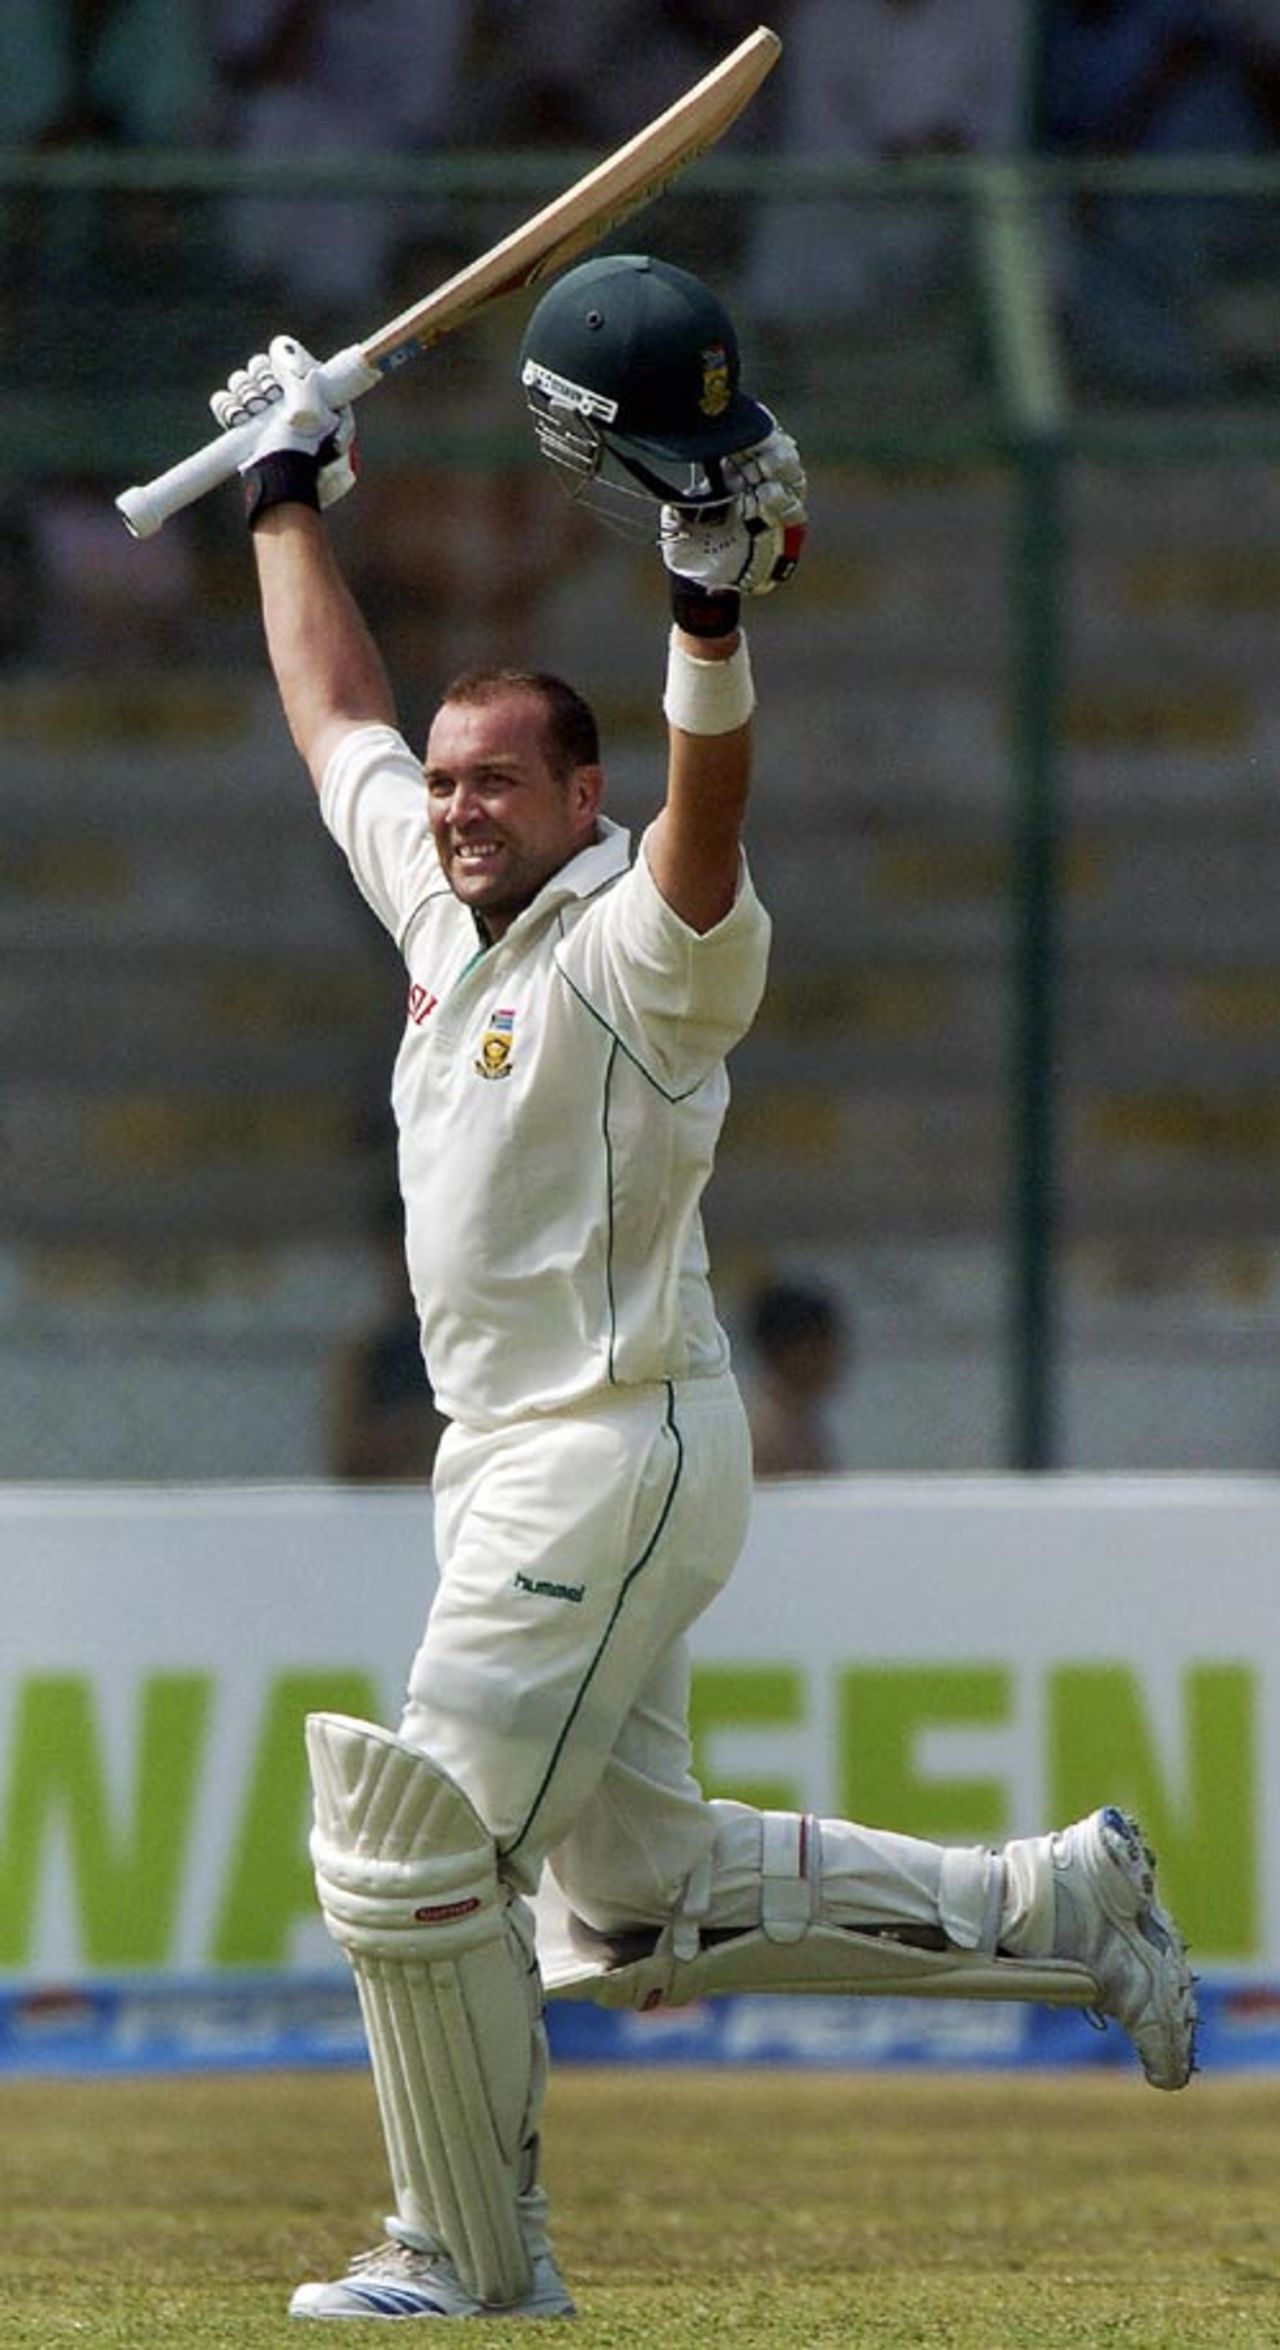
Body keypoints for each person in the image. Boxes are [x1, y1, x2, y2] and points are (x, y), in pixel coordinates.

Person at [209, 254, 1195, 2323]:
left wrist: (704, 609)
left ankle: (466, 2257)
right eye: (456, 782)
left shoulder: (639, 947)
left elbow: (706, 829)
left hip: (612, 1443)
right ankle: (1055, 1898)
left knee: (410, 1853)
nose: (459, 804)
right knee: (631, 1900)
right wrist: (289, 490)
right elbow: (337, 723)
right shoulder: (440, 909)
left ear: (583, 799)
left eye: (504, 783)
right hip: (520, 1458)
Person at [327, 1188, 448, 1483]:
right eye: (397, 1254)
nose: (406, 1268)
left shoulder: (474, 1347)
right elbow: (345, 1452)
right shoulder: (366, 1351)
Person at [746, 1276, 848, 1477]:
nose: (830, 1360)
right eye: (816, 1350)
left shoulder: (799, 1422)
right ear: (783, 1353)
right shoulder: (765, 1433)